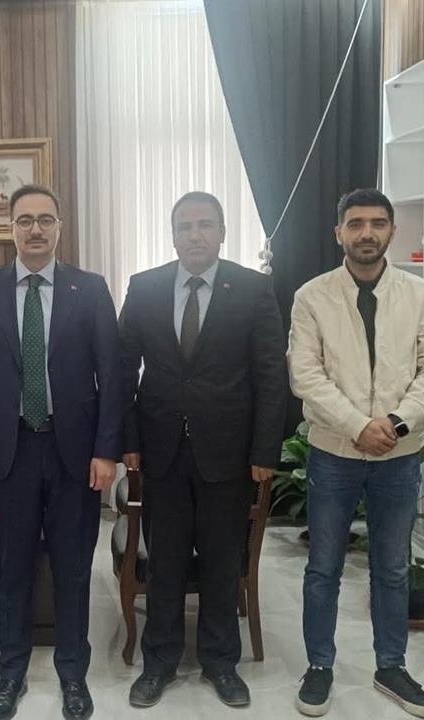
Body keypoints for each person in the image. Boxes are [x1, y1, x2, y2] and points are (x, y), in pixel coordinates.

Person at [288, 188, 424, 718]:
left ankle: (392, 667)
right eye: (356, 223)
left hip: (398, 455)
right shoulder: (312, 296)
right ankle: (319, 666)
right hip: (333, 453)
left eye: (377, 223)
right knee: (323, 568)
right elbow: (306, 375)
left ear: (392, 232)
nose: (367, 233)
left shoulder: (420, 295)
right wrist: (358, 426)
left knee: (392, 567)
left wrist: (397, 423)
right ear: (338, 232)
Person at [0, 184, 124, 720]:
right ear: (10, 228)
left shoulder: (90, 289)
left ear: (59, 227)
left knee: (73, 569)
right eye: (25, 220)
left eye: (45, 220)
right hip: (10, 453)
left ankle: (73, 674)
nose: (35, 229)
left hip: (74, 452)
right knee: (14, 569)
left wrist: (107, 450)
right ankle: (11, 674)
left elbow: (112, 375)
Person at [119, 191, 287, 709]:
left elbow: (270, 376)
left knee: (221, 560)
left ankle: (220, 662)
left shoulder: (253, 289)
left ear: (222, 233)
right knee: (165, 561)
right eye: (185, 226)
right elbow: (123, 371)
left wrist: (264, 451)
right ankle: (159, 661)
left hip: (229, 453)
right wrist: (128, 441)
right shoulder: (145, 287)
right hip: (161, 451)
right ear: (173, 235)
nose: (195, 235)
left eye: (205, 225)